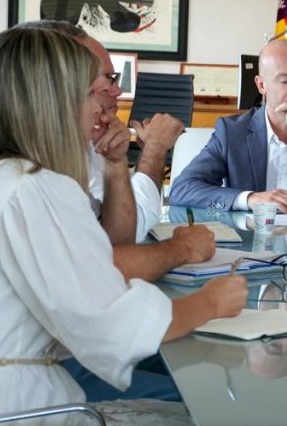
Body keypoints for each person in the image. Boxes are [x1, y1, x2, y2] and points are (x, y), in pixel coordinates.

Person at [0, 26, 248, 426]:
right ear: (55, 101)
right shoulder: (34, 189)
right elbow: (111, 326)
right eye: (91, 93)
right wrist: (210, 302)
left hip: (2, 407)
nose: (103, 105)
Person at [16, 20, 214, 283]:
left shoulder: (87, 142)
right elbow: (93, 269)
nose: (118, 90)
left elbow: (119, 240)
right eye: (105, 80)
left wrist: (117, 162)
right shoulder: (26, 177)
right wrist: (154, 149)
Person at [170, 40, 287, 214]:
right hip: (248, 241)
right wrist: (250, 199)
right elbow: (182, 189)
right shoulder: (232, 132)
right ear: (261, 85)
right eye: (286, 81)